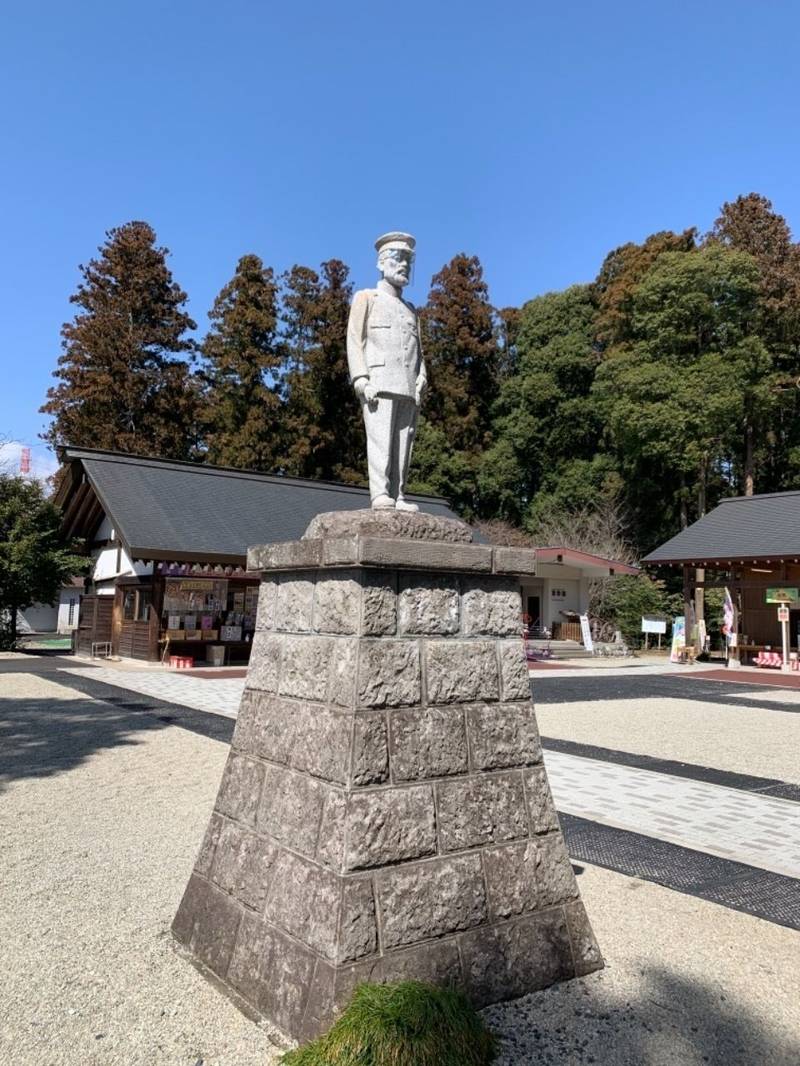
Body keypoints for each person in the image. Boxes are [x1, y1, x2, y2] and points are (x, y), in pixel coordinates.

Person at [347, 231, 427, 510]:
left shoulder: (411, 310)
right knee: (380, 441)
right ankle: (380, 493)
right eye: (397, 257)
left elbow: (419, 351)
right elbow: (354, 340)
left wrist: (422, 377)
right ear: (381, 262)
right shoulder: (366, 298)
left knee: (404, 445)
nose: (404, 264)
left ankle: (399, 494)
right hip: (378, 382)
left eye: (408, 259)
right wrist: (360, 378)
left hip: (407, 385)